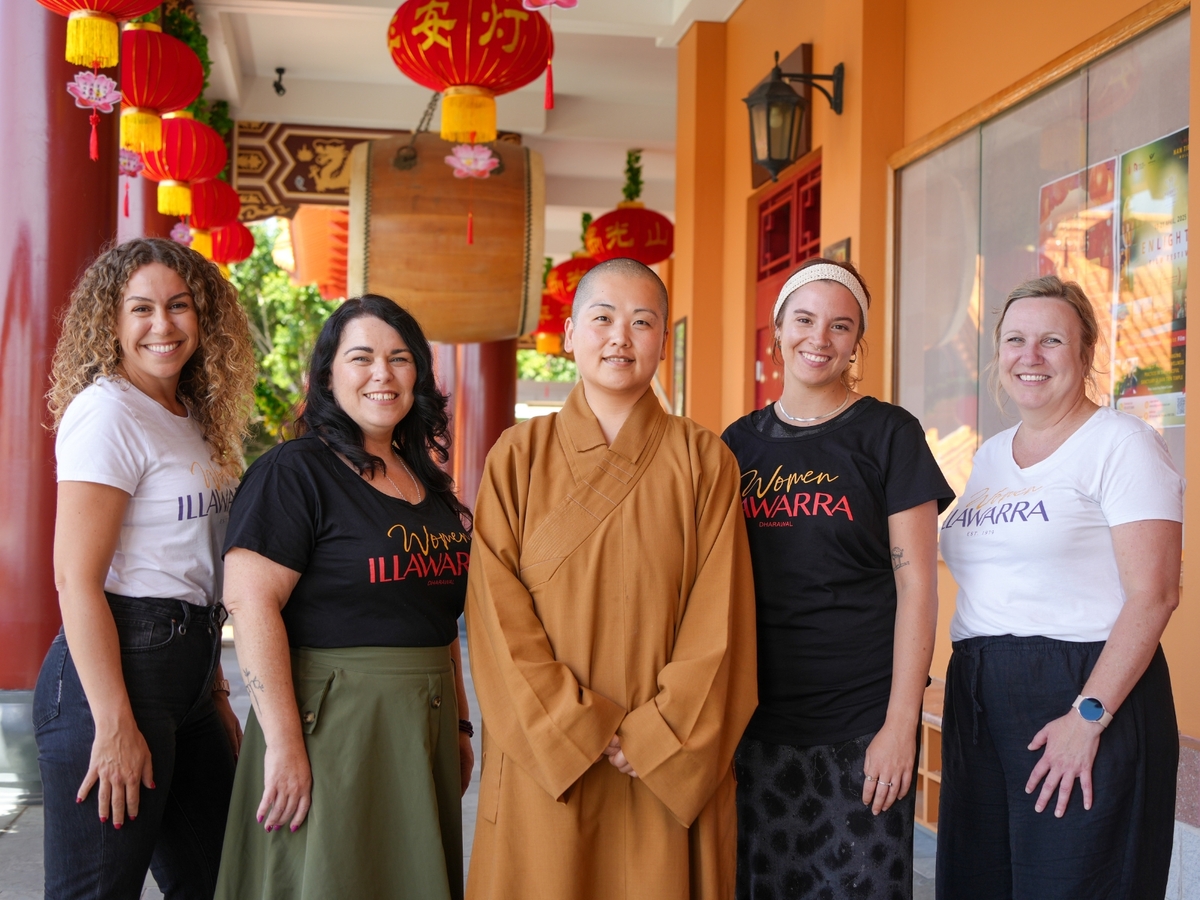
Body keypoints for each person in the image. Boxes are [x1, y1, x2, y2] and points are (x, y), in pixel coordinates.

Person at [464, 257, 758, 900]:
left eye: (642, 321)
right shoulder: (517, 456)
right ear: (569, 334)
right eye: (602, 318)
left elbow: (722, 621)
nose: (620, 336)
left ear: (663, 342)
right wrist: (575, 726)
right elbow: (494, 617)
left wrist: (659, 734)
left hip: (663, 763)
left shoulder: (706, 459)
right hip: (551, 758)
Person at [214, 295, 474, 900]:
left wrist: (460, 725)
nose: (382, 374)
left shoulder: (427, 482)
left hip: (421, 725)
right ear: (328, 375)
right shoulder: (294, 471)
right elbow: (251, 606)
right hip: (329, 727)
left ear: (419, 376)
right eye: (361, 357)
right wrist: (282, 745)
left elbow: (440, 620)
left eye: (399, 358)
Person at [937, 275, 1184, 899]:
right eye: (1016, 339)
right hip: (981, 701)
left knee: (1076, 885)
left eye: (1052, 340)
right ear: (999, 354)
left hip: (1081, 693)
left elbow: (1154, 593)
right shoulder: (991, 455)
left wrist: (1088, 716)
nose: (1031, 355)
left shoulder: (1122, 444)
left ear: (1085, 353)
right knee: (980, 884)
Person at [721, 257, 954, 899]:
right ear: (777, 331)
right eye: (804, 319)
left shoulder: (889, 434)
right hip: (758, 724)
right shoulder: (737, 445)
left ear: (859, 343)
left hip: (863, 724)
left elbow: (917, 588)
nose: (818, 339)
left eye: (840, 326)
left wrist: (899, 725)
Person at [35, 238, 257, 899]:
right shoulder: (108, 413)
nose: (162, 325)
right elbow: (75, 579)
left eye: (179, 306)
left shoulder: (192, 418)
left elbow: (194, 566)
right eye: (141, 308)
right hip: (115, 673)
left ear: (203, 316)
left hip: (187, 670)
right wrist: (113, 723)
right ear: (111, 320)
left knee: (221, 880)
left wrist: (212, 689)